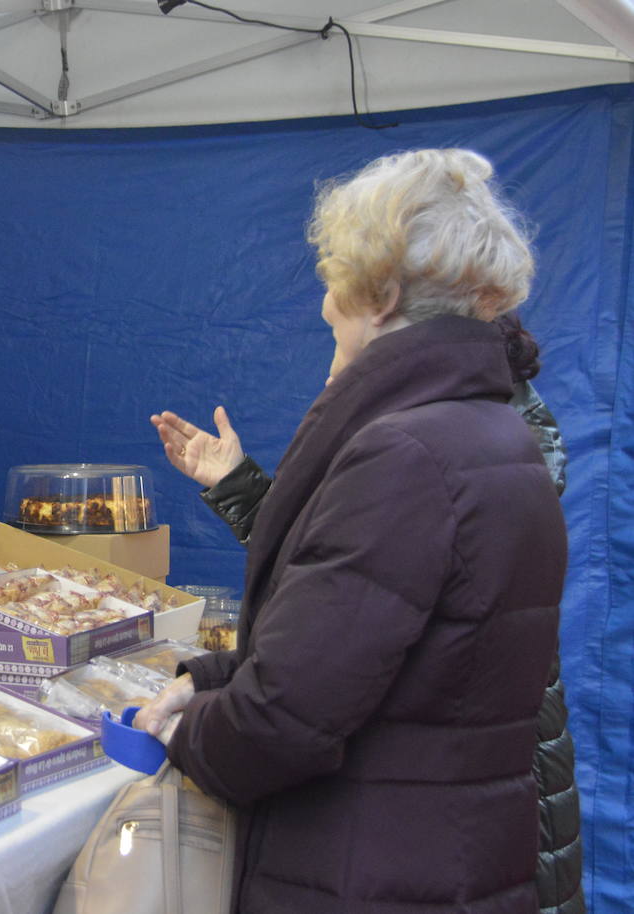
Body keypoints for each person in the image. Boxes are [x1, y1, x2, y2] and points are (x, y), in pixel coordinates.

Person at [134, 149, 568, 913]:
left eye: (337, 275)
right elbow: (387, 656)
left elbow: (284, 722)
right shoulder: (493, 432)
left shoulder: (406, 452)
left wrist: (188, 736)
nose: (326, 300)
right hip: (447, 858)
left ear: (384, 292)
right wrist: (212, 678)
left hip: (372, 873)